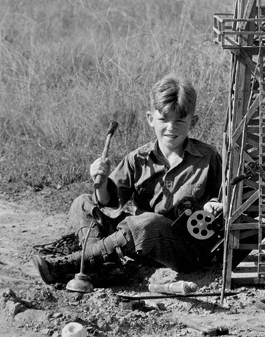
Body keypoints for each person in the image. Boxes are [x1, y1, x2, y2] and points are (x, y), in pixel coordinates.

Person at [33, 74, 223, 285]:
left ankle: (72, 265)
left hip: (183, 249)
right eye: (163, 120)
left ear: (193, 122)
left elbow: (224, 200)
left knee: (148, 222)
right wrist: (102, 181)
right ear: (150, 119)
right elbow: (106, 202)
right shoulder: (137, 159)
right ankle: (102, 268)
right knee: (83, 203)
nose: (171, 127)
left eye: (179, 120)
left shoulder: (208, 157)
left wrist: (215, 205)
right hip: (138, 242)